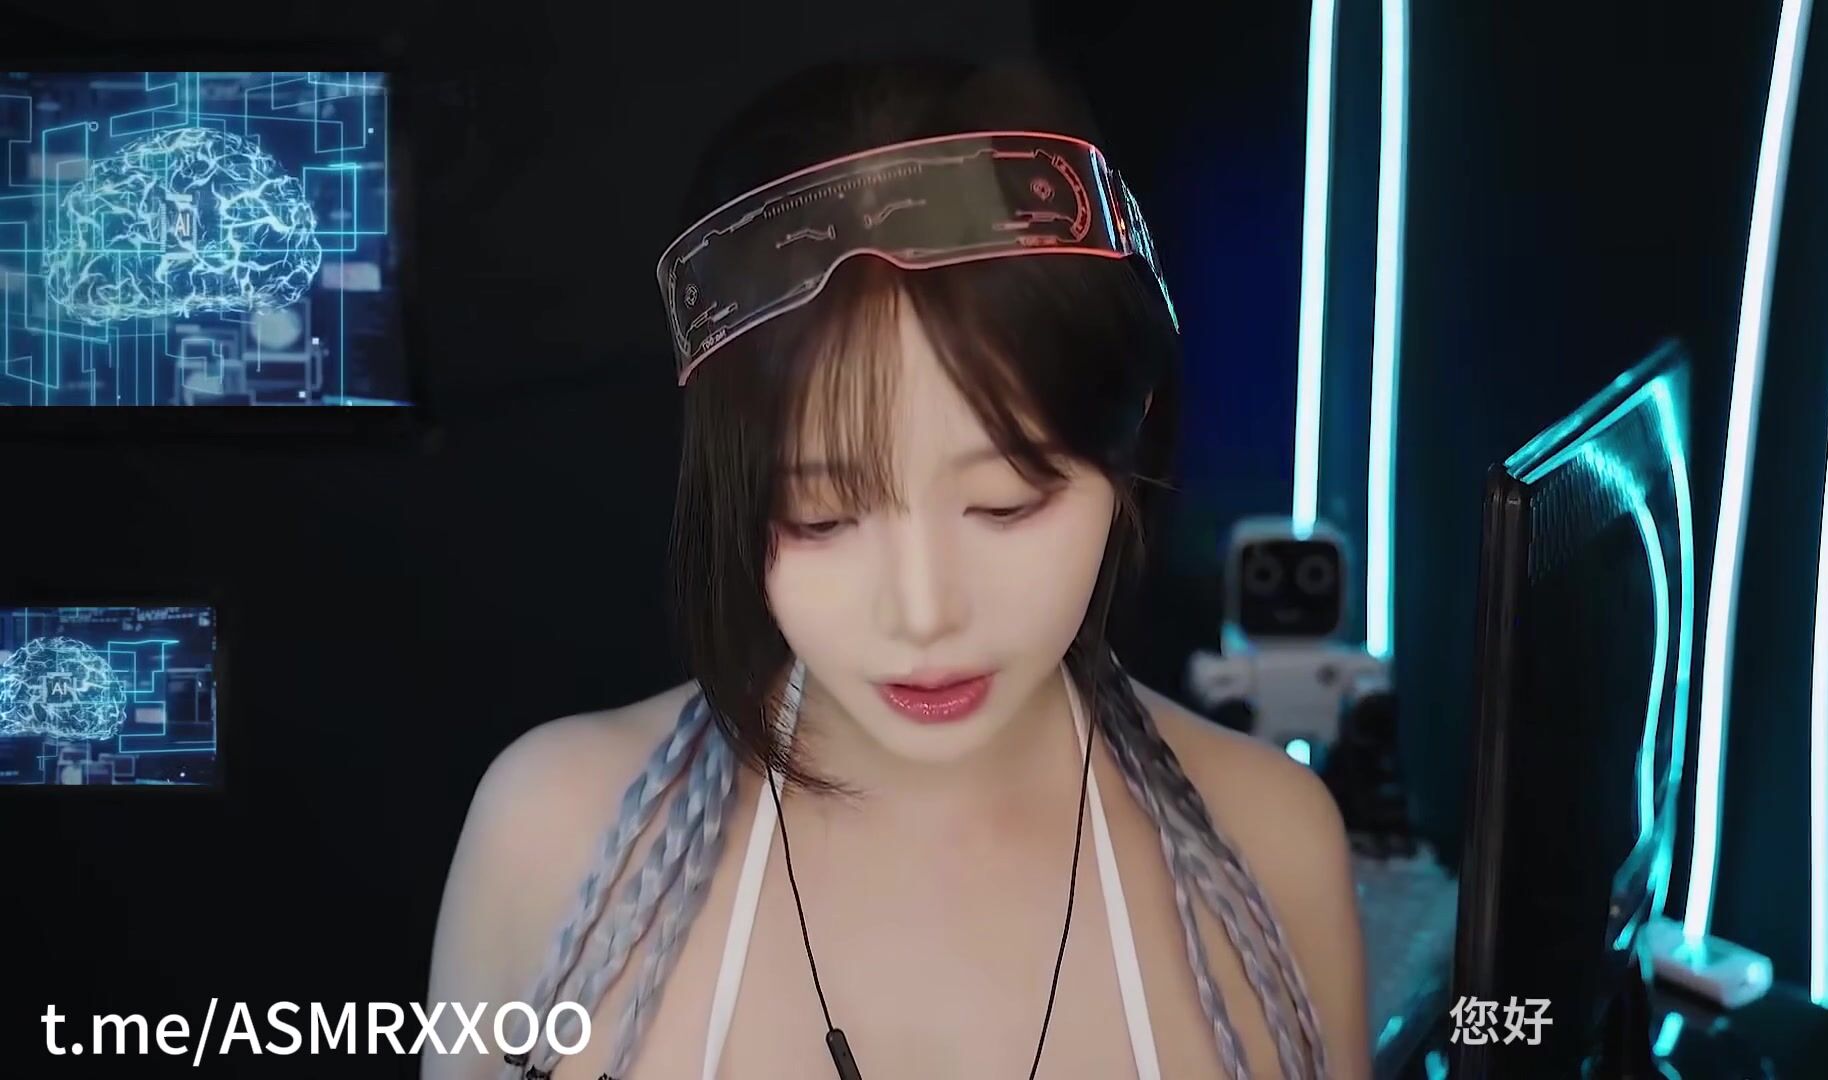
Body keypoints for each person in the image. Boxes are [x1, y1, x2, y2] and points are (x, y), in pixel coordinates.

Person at [424, 54, 1369, 1080]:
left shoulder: (1270, 850)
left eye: (1005, 502)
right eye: (823, 517)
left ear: (1129, 435)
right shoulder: (553, 839)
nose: (924, 613)